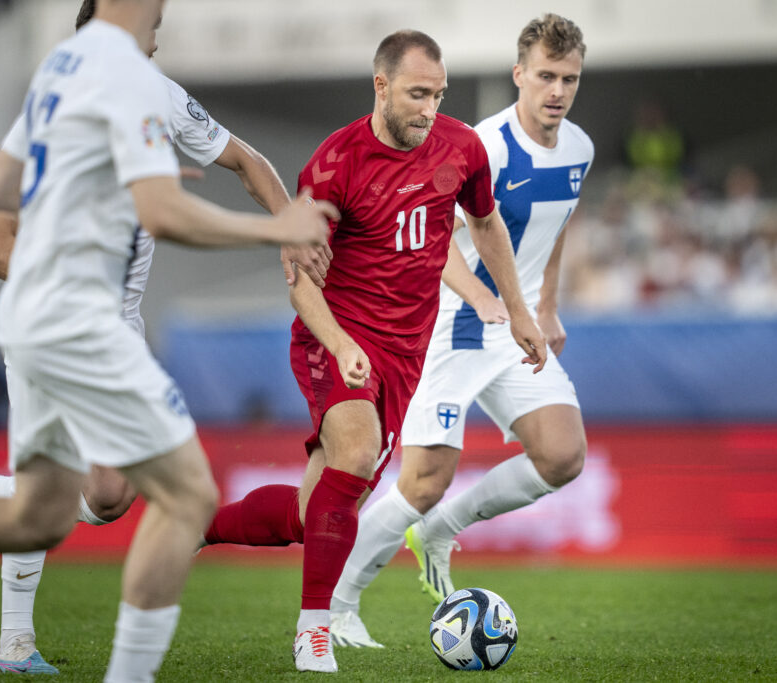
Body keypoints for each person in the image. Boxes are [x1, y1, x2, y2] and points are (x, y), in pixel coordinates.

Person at [0, 2, 334, 682]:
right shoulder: (122, 77)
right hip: (81, 321)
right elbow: (22, 239)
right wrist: (273, 232)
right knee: (185, 491)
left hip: (53, 321)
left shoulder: (65, 74)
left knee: (48, 507)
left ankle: (4, 611)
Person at [199, 29, 547, 673]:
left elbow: (485, 222)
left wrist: (517, 310)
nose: (429, 109)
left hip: (405, 354)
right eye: (417, 94)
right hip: (332, 333)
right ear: (381, 87)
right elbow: (299, 275)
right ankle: (314, 630)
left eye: (438, 95)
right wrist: (339, 344)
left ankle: (197, 524)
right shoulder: (334, 164)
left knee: (317, 517)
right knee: (356, 453)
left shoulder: (461, 147)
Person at [328, 14, 592, 649]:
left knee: (563, 456)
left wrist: (546, 306)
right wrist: (483, 296)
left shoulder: (580, 146)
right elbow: (436, 232)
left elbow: (554, 230)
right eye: (546, 77)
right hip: (453, 323)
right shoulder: (483, 145)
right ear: (519, 75)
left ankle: (443, 529)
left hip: (517, 324)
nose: (557, 91)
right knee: (423, 479)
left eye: (570, 79)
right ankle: (335, 606)